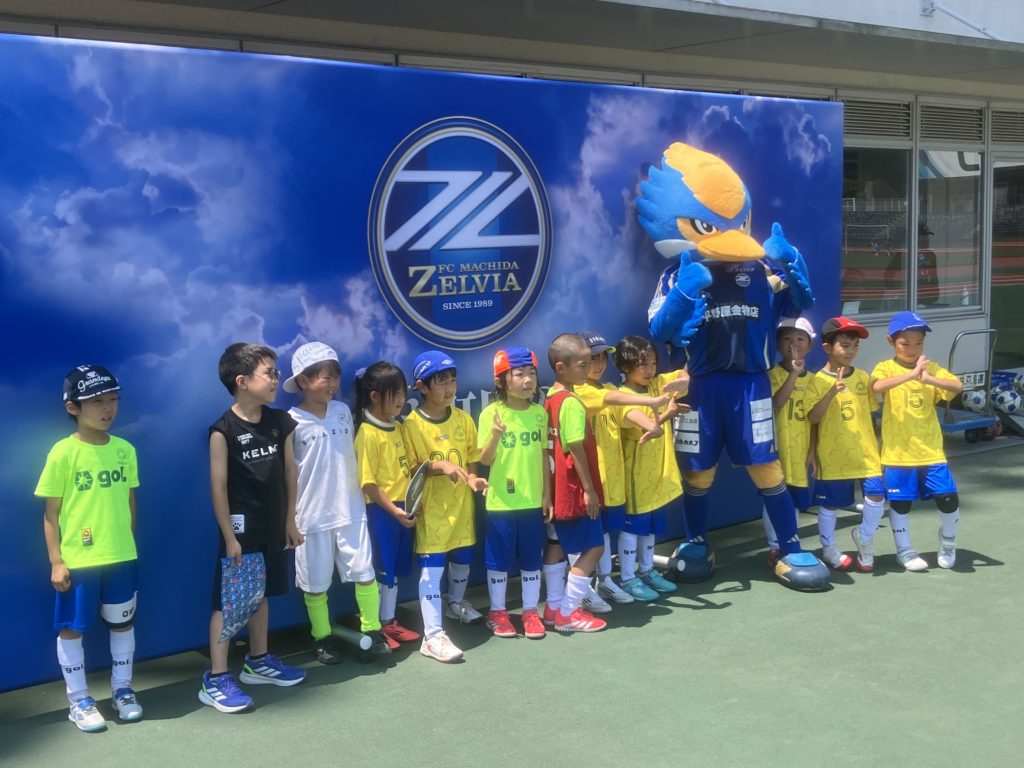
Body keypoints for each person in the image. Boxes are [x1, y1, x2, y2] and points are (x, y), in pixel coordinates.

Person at [200, 344, 305, 714]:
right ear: (242, 381)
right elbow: (218, 487)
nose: (276, 379)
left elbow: (291, 470)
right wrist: (230, 537)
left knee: (260, 594)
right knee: (229, 602)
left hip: (274, 528)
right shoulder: (222, 430)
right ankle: (215, 678)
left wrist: (289, 520)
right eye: (269, 373)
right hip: (240, 536)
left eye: (277, 372)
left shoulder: (280, 422)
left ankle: (258, 661)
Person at [36, 365, 142, 732]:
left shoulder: (125, 450)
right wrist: (56, 561)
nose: (107, 408)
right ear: (73, 408)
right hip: (79, 561)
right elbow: (50, 514)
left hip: (122, 558)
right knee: (72, 628)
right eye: (97, 402)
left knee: (122, 624)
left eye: (112, 399)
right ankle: (79, 700)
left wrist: (125, 544)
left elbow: (130, 503)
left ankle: (123, 690)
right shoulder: (62, 453)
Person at [551, 331, 678, 610]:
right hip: (588, 482)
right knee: (587, 538)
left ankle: (606, 581)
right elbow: (612, 400)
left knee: (606, 534)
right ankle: (584, 590)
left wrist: (654, 423)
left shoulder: (606, 386)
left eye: (601, 359)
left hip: (612, 480)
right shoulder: (580, 392)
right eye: (590, 360)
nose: (597, 365)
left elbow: (626, 412)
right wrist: (650, 403)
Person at [283, 342, 388, 665]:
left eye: (335, 377)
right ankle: (322, 637)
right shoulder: (290, 422)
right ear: (303, 381)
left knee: (365, 573)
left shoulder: (342, 411)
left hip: (351, 509)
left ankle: (372, 631)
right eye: (324, 378)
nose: (331, 384)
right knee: (315, 585)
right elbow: (289, 472)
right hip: (311, 517)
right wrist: (290, 519)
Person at [402, 351, 489, 662]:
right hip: (431, 511)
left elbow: (472, 459)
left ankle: (456, 603)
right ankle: (433, 636)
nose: (449, 388)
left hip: (461, 507)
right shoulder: (411, 425)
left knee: (463, 556)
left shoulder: (463, 419)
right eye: (441, 382)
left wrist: (474, 479)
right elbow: (410, 469)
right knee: (433, 567)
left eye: (452, 380)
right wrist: (440, 467)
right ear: (422, 387)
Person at [870, 311, 963, 570]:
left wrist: (928, 378)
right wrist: (912, 375)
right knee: (901, 503)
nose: (912, 349)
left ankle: (948, 542)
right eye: (905, 343)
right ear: (891, 341)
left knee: (948, 499)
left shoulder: (930, 367)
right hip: (898, 454)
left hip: (931, 451)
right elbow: (877, 387)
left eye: (918, 343)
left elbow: (957, 386)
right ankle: (905, 550)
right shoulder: (885, 368)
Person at [477, 346, 550, 639]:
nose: (528, 380)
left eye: (531, 373)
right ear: (501, 381)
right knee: (499, 561)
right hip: (501, 503)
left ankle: (530, 612)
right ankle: (497, 612)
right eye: (519, 374)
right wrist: (496, 435)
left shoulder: (539, 414)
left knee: (532, 559)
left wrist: (546, 495)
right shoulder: (490, 414)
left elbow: (544, 456)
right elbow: (484, 460)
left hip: (533, 502)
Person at [804, 318, 885, 572]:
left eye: (855, 346)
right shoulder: (817, 380)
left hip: (865, 453)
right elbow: (813, 418)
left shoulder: (862, 377)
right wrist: (831, 392)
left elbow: (870, 415)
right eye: (845, 346)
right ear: (827, 347)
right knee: (829, 504)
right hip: (832, 455)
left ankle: (865, 538)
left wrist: (878, 446)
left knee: (876, 494)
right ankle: (829, 549)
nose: (851, 351)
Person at [542, 333, 609, 633]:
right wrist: (590, 490)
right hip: (574, 491)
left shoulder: (550, 399)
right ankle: (568, 612)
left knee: (556, 545)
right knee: (595, 547)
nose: (589, 369)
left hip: (558, 492)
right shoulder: (570, 402)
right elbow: (575, 448)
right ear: (561, 368)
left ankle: (553, 608)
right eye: (582, 365)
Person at [612, 336, 687, 601]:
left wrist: (684, 380)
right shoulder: (622, 398)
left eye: (653, 364)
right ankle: (627, 578)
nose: (650, 370)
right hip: (636, 479)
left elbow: (685, 378)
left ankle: (646, 571)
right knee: (633, 530)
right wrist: (669, 412)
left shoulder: (657, 385)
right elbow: (651, 428)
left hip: (659, 476)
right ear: (625, 367)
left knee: (652, 529)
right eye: (643, 365)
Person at [353, 361, 420, 651]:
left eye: (403, 393)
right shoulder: (367, 434)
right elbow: (368, 484)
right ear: (374, 396)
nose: (401, 400)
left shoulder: (399, 426)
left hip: (403, 509)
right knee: (383, 570)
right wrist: (394, 510)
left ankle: (390, 620)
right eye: (395, 394)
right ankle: (379, 625)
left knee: (394, 570)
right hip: (381, 512)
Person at [762, 317, 817, 562]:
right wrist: (793, 373)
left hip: (801, 451)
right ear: (777, 344)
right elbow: (776, 403)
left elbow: (815, 419)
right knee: (775, 495)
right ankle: (776, 545)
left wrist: (812, 451)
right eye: (786, 338)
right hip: (777, 449)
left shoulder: (814, 380)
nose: (793, 343)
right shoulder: (771, 374)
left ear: (810, 344)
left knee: (794, 500)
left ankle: (790, 542)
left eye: (800, 338)